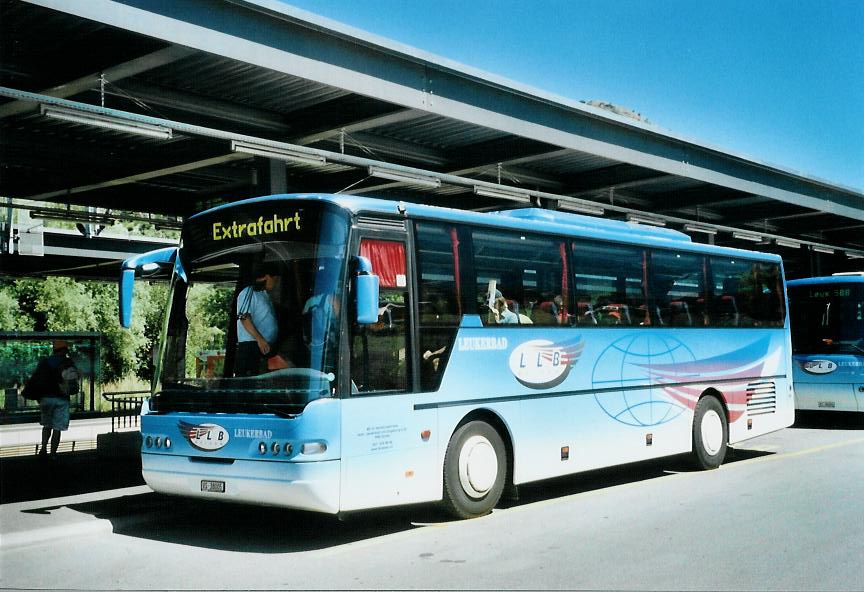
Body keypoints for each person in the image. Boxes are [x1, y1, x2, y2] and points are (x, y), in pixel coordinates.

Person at [28, 340, 80, 460]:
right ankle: (53, 454)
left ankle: (43, 449)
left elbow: (36, 379)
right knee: (57, 427)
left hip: (46, 399)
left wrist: (38, 396)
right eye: (66, 349)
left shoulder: (45, 362)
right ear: (63, 350)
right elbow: (74, 379)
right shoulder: (68, 362)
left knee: (47, 425)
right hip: (61, 400)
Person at [235, 264, 280, 376]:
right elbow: (244, 318)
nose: (275, 284)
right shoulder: (248, 292)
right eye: (275, 280)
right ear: (266, 277)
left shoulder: (264, 295)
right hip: (252, 345)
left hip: (263, 347)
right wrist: (260, 339)